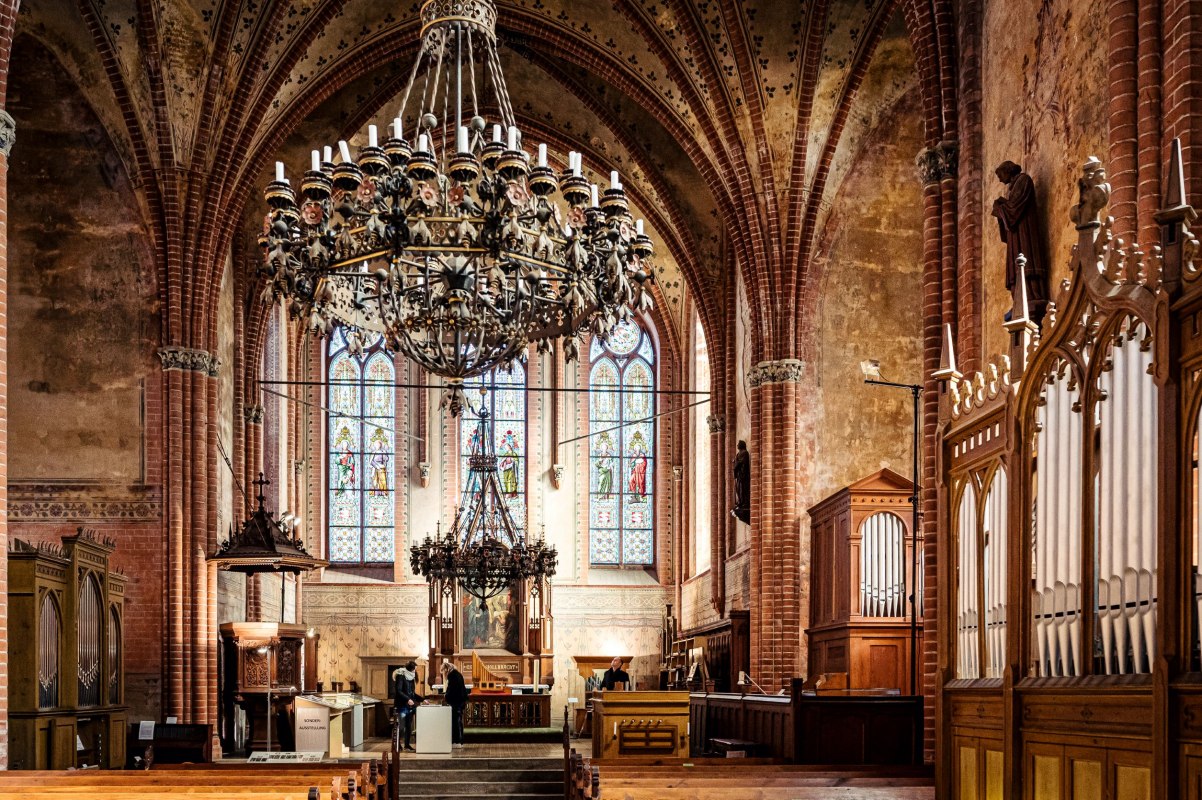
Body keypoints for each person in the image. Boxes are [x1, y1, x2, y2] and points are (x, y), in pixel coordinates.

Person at [392, 660, 423, 752]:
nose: (415, 671)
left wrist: (422, 699)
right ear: (409, 669)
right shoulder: (401, 676)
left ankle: (407, 745)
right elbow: (398, 691)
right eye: (414, 669)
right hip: (401, 705)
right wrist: (407, 699)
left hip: (410, 706)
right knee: (401, 727)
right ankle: (397, 744)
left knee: (409, 727)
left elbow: (412, 693)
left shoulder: (412, 677)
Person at [441, 660, 469, 747]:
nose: (443, 674)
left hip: (456, 702)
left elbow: (451, 689)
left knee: (455, 722)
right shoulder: (458, 674)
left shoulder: (452, 675)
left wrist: (446, 696)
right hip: (461, 701)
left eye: (443, 671)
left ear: (446, 669)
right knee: (459, 722)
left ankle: (456, 742)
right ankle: (460, 741)